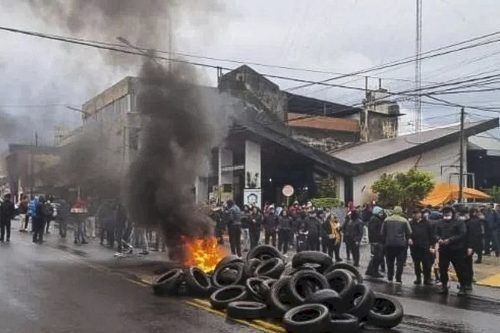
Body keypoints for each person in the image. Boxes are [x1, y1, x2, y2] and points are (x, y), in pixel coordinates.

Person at [435, 206, 467, 295]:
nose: (446, 214)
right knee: (443, 269)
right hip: (444, 250)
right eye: (444, 212)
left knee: (459, 268)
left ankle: (462, 287)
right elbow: (435, 233)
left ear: (452, 213)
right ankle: (444, 286)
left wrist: (450, 240)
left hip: (456, 249)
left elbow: (462, 234)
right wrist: (439, 239)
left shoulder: (459, 222)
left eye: (448, 212)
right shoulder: (440, 222)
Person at [381, 206, 412, 284]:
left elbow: (382, 232)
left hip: (389, 244)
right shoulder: (404, 220)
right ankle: (398, 279)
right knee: (400, 263)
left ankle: (390, 278)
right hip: (401, 245)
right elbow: (409, 232)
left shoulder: (386, 220)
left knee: (390, 262)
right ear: (401, 212)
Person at [409, 209, 434, 285]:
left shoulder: (427, 223)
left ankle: (427, 279)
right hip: (415, 247)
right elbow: (407, 232)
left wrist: (431, 245)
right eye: (414, 213)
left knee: (427, 264)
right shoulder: (411, 223)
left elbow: (431, 234)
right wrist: (409, 238)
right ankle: (418, 278)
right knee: (416, 264)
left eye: (417, 213)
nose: (415, 215)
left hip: (425, 246)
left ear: (420, 214)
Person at [464, 208, 483, 291]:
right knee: (467, 264)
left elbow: (472, 234)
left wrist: (470, 247)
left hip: (468, 245)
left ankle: (467, 283)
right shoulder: (475, 221)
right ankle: (467, 281)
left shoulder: (471, 222)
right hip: (470, 245)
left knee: (467, 264)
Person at [365, 206, 386, 278]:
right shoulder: (375, 219)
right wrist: (378, 239)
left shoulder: (375, 219)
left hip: (376, 241)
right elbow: (374, 231)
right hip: (377, 241)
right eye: (380, 212)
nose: (382, 213)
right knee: (378, 257)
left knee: (376, 257)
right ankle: (374, 271)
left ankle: (370, 270)